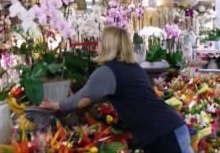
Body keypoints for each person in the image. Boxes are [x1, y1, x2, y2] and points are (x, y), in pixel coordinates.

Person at [39, 26, 193, 153]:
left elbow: (82, 99)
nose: (96, 43)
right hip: (168, 128)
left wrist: (55, 105)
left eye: (100, 40)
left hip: (164, 134)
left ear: (108, 44)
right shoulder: (133, 67)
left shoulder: (107, 71)